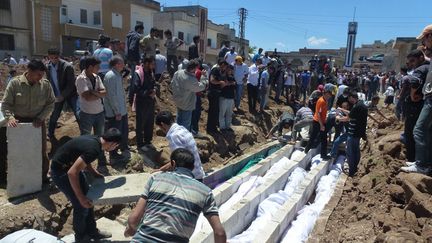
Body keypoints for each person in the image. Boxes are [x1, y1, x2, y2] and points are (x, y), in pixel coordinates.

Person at [124, 148, 226, 243]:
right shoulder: (205, 192)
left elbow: (133, 219)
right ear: (193, 167)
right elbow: (220, 233)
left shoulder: (155, 179)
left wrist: (131, 231)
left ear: (172, 163)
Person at [50, 128, 121, 242]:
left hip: (69, 167)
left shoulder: (97, 140)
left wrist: (93, 173)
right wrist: (81, 197)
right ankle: (81, 237)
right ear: (112, 143)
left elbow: (83, 158)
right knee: (81, 205)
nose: (114, 149)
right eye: (116, 146)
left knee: (89, 202)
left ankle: (92, 232)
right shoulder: (94, 149)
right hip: (61, 172)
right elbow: (72, 173)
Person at [1, 59, 55, 181]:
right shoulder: (15, 84)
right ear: (29, 71)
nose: (40, 78)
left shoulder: (45, 85)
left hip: (38, 122)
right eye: (38, 75)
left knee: (41, 151)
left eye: (42, 75)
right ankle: (21, 177)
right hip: (19, 123)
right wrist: (10, 118)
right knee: (20, 151)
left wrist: (41, 118)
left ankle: (42, 176)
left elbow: (51, 103)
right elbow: (6, 104)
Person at [401, 25, 432, 174]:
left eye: (425, 39)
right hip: (428, 97)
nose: (424, 43)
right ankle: (423, 163)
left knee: (419, 130)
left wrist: (413, 93)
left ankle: (421, 164)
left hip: (429, 99)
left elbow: (414, 82)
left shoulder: (420, 69)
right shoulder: (428, 60)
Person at [76, 57, 107, 165]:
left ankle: (101, 161)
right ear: (90, 67)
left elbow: (104, 92)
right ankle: (85, 164)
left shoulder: (97, 77)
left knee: (100, 139)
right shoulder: (81, 79)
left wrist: (93, 92)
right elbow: (87, 97)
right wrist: (98, 94)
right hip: (86, 114)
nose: (99, 68)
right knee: (86, 139)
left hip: (99, 113)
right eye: (97, 67)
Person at [155, 111, 205, 179]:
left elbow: (179, 161)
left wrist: (160, 170)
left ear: (162, 125)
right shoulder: (182, 129)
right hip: (198, 172)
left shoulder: (174, 136)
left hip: (191, 178)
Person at [46, 48, 80, 139]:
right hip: (57, 95)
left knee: (78, 114)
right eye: (51, 57)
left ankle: (85, 133)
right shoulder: (48, 67)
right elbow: (49, 82)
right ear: (48, 57)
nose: (54, 59)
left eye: (56, 57)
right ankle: (50, 133)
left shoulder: (67, 67)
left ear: (59, 56)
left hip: (70, 94)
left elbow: (71, 84)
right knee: (54, 115)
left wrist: (63, 95)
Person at [103, 56, 130, 162]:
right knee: (115, 133)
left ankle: (123, 147)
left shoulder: (117, 75)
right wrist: (117, 111)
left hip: (122, 110)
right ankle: (113, 154)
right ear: (116, 64)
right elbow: (111, 96)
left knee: (123, 131)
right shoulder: (111, 76)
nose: (124, 65)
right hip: (115, 113)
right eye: (122, 63)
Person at [170, 59, 208, 131]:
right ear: (194, 68)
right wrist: (203, 77)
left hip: (178, 102)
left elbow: (172, 84)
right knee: (185, 126)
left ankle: (177, 139)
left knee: (179, 122)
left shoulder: (178, 73)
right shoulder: (190, 79)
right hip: (187, 105)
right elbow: (201, 87)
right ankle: (183, 141)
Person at [129, 57, 157, 149]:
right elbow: (136, 89)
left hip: (150, 102)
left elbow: (154, 84)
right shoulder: (138, 73)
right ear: (146, 63)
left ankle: (148, 141)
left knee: (149, 122)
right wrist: (148, 93)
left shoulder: (151, 72)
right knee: (141, 123)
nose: (153, 66)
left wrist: (154, 91)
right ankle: (140, 144)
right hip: (142, 102)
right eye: (152, 64)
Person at [304, 85, 333, 159]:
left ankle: (322, 154)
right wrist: (321, 125)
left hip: (320, 121)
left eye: (329, 96)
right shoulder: (321, 101)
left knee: (322, 138)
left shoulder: (324, 100)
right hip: (318, 122)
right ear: (324, 94)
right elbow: (318, 114)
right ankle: (307, 150)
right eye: (327, 95)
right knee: (314, 137)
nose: (328, 97)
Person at [344, 92, 368, 176]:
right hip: (358, 133)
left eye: (349, 98)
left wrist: (339, 118)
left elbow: (349, 117)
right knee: (356, 151)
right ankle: (355, 167)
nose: (349, 100)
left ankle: (352, 170)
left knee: (350, 152)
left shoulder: (356, 106)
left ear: (352, 97)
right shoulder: (363, 105)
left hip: (353, 133)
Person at [207, 60, 228, 133]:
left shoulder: (220, 71)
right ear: (222, 64)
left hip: (217, 93)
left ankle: (213, 128)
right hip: (213, 93)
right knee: (212, 111)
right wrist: (220, 82)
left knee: (215, 111)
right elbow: (212, 80)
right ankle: (210, 129)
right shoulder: (215, 69)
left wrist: (223, 84)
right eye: (225, 66)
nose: (225, 68)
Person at [219, 65, 236, 131]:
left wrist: (229, 83)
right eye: (229, 69)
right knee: (222, 113)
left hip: (231, 98)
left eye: (231, 70)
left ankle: (228, 126)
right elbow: (222, 85)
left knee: (229, 113)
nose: (230, 71)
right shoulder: (222, 76)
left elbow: (234, 86)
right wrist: (230, 83)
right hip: (224, 97)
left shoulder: (232, 77)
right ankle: (222, 127)